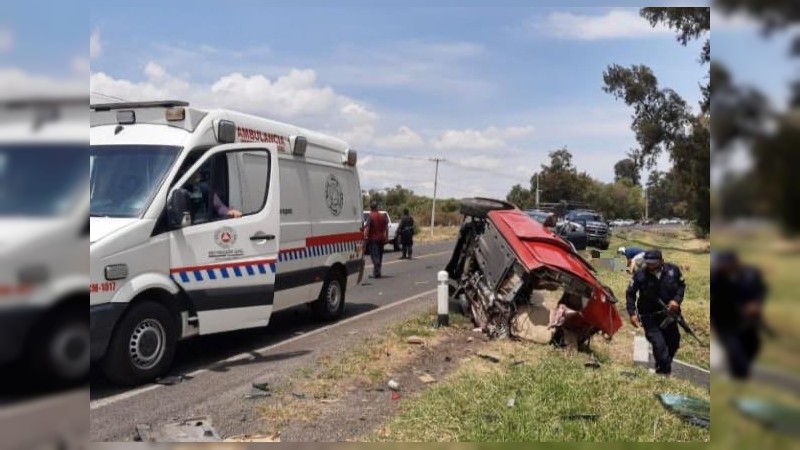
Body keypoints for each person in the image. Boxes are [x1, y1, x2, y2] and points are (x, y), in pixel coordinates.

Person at [626, 249, 686, 375]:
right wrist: (632, 313)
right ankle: (663, 373)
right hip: (649, 316)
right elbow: (630, 294)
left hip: (669, 315)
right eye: (648, 263)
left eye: (653, 263)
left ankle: (662, 366)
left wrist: (676, 301)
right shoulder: (640, 275)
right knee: (659, 344)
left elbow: (681, 286)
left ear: (662, 261)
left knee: (674, 342)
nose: (650, 266)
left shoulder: (673, 270)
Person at [711, 250, 767, 379]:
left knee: (753, 344)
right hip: (724, 318)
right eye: (722, 265)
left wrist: (756, 303)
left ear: (735, 263)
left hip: (747, 319)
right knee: (734, 348)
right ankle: (738, 377)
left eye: (727, 264)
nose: (724, 268)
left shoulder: (751, 273)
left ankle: (739, 371)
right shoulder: (716, 278)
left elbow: (762, 289)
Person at [363, 201, 388, 278]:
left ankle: (376, 273)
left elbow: (367, 228)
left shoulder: (371, 216)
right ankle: (378, 272)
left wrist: (365, 238)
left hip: (373, 239)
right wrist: (386, 237)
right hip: (381, 239)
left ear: (371, 208)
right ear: (377, 207)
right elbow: (386, 228)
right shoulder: (382, 216)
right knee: (379, 256)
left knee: (375, 256)